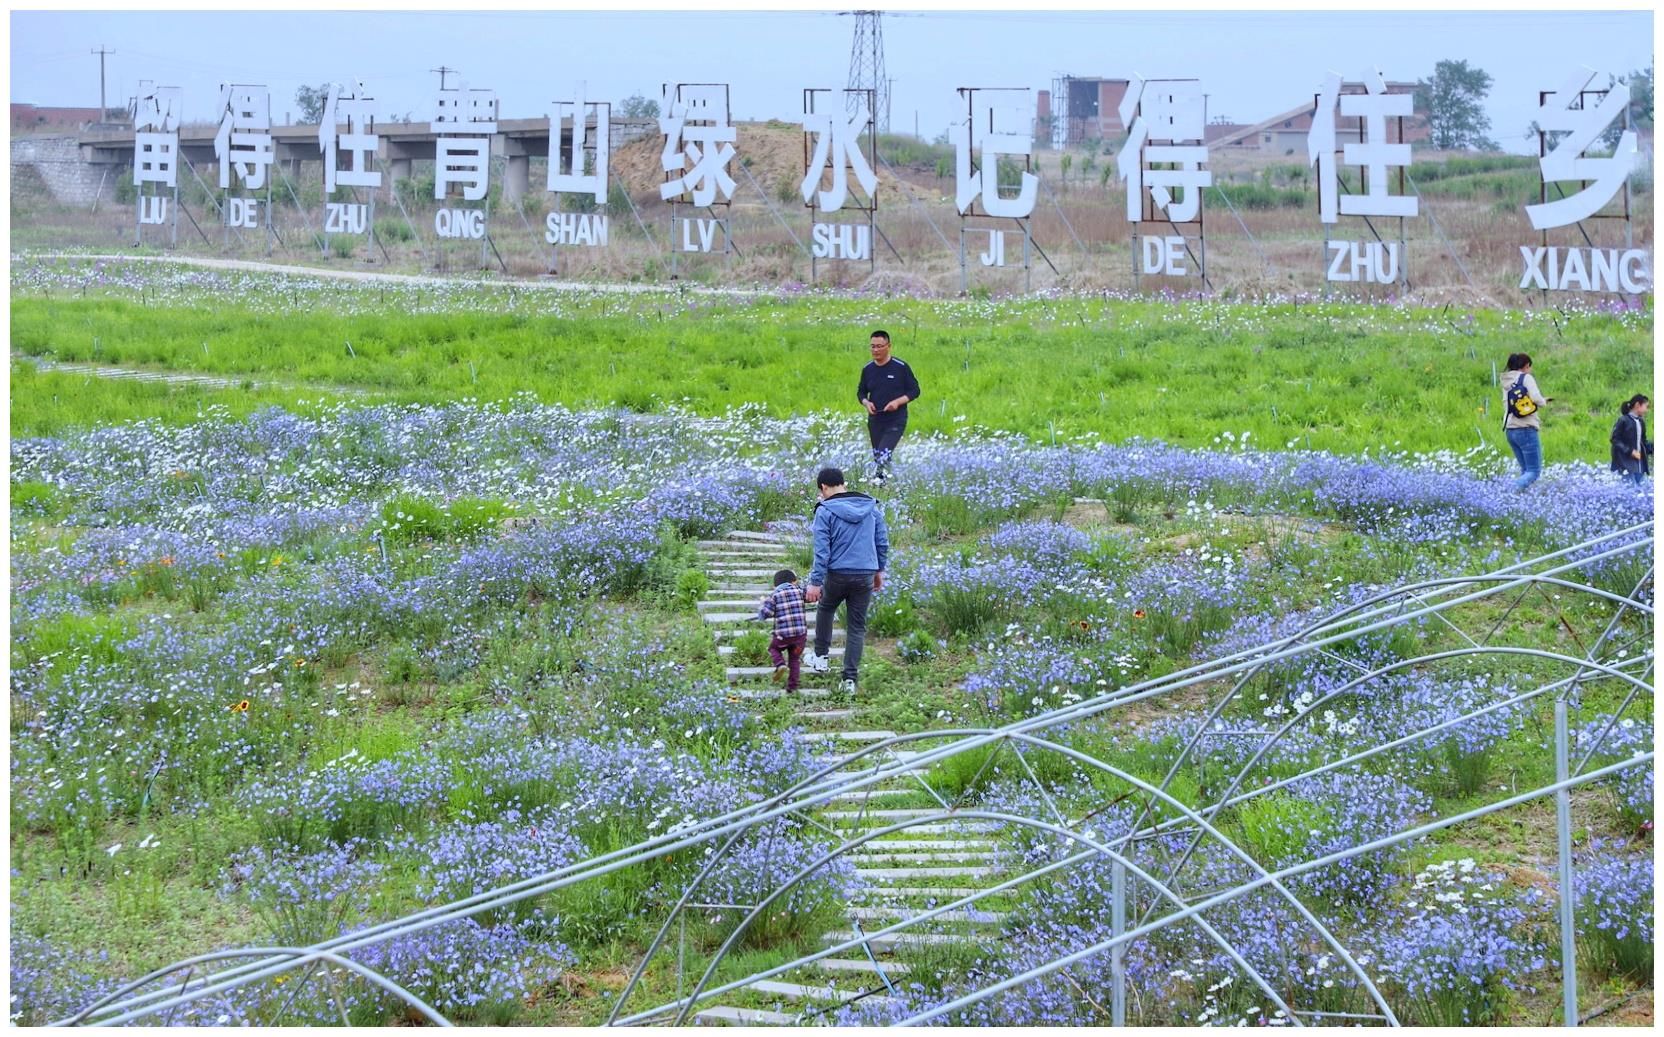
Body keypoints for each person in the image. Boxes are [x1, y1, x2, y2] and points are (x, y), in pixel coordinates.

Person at [803, 467, 888, 696]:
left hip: (838, 574)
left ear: (823, 487)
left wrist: (815, 583)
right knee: (857, 626)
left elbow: (822, 551)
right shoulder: (871, 507)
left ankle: (821, 657)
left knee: (827, 607)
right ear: (844, 483)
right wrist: (879, 571)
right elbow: (882, 542)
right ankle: (849, 680)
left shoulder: (825, 510)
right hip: (865, 575)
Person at [857, 329, 921, 485]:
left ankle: (879, 482)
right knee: (878, 454)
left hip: (895, 419)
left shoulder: (900, 367)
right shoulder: (868, 369)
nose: (875, 350)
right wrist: (866, 403)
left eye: (879, 346)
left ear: (888, 346)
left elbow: (915, 390)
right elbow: (861, 392)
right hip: (875, 418)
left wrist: (897, 402)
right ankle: (888, 483)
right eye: (872, 346)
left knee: (884, 452)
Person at [1501, 353, 1550, 491]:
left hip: (1510, 429)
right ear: (1526, 366)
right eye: (1529, 367)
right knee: (1533, 471)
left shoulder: (1506, 381)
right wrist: (1543, 402)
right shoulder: (1526, 378)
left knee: (1525, 471)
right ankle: (1508, 493)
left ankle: (1520, 499)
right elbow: (1535, 398)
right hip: (1526, 428)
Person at [755, 568, 808, 692]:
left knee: (773, 648)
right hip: (800, 636)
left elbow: (765, 614)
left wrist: (762, 604)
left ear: (775, 585)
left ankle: (780, 664)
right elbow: (813, 597)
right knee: (794, 659)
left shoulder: (774, 595)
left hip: (783, 635)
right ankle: (792, 688)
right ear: (794, 581)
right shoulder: (800, 591)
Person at [1610, 394, 1653, 486]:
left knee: (1642, 491)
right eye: (1646, 406)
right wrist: (1630, 451)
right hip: (1625, 463)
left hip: (1639, 464)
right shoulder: (1623, 420)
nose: (1646, 410)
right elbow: (1615, 439)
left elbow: (1643, 441)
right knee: (1630, 489)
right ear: (1638, 405)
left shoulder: (1641, 422)